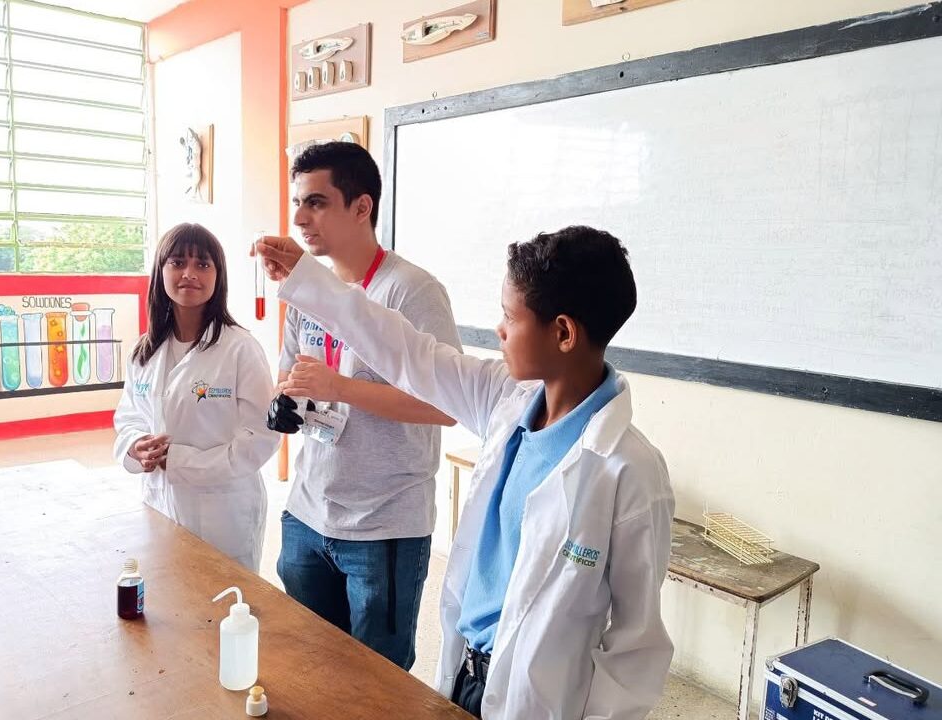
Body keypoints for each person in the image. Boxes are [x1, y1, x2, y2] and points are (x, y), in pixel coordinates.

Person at [256, 225, 675, 720]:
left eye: (510, 317)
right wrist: (307, 276)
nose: (500, 330)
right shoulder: (504, 399)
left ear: (563, 333)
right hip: (465, 675)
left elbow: (636, 650)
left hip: (538, 702)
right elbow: (405, 350)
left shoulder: (629, 472)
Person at [266, 141, 462, 671]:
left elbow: (446, 406)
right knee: (312, 664)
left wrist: (341, 388)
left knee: (377, 681)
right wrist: (283, 399)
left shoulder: (412, 290)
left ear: (361, 207)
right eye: (298, 203)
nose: (300, 219)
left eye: (316, 203)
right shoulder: (305, 289)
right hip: (308, 509)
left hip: (383, 523)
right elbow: (289, 373)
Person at [113, 223, 279, 571]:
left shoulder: (240, 348)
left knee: (223, 596)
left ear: (219, 276)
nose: (189, 273)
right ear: (160, 271)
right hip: (159, 502)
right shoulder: (144, 351)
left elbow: (261, 438)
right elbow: (128, 417)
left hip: (223, 514)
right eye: (177, 262)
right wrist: (134, 446)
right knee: (168, 590)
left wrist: (179, 461)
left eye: (202, 264)